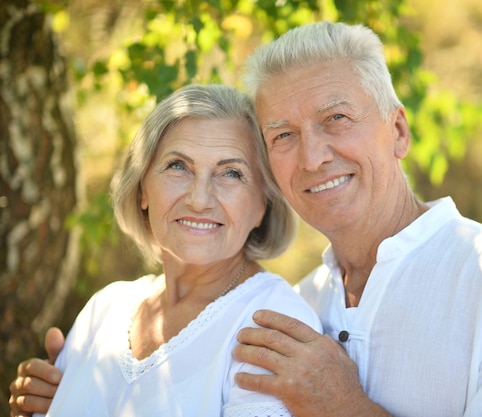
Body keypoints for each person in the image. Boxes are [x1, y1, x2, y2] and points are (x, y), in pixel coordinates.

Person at [10, 22, 482, 417]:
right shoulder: (300, 309)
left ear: (399, 131)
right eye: (283, 135)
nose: (312, 157)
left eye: (336, 118)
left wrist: (347, 407)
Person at [9, 83, 322, 416]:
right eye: (178, 166)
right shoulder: (105, 308)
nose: (199, 199)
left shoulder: (274, 325)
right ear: (143, 188)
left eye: (231, 173)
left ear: (264, 204)